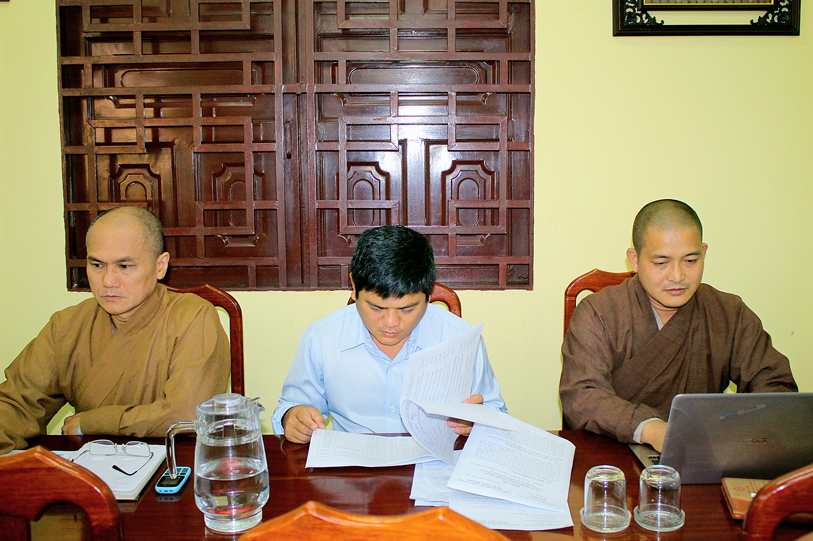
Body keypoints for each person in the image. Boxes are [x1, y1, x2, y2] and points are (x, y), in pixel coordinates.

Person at [559, 199, 796, 452]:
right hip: (613, 456)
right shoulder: (598, 313)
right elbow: (581, 395)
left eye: (690, 260)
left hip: (703, 450)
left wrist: (734, 430)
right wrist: (651, 429)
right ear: (634, 260)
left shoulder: (729, 313)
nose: (677, 276)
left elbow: (776, 388)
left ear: (703, 252)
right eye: (661, 263)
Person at [0, 206, 230, 454]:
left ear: (160, 266)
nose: (108, 281)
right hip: (90, 465)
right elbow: (17, 403)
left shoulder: (192, 316)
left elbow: (186, 415)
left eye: (125, 266)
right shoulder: (67, 325)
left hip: (173, 464)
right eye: (97, 265)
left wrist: (92, 422)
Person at [272, 225, 506, 444]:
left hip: (435, 463)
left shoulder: (461, 339)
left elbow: (495, 413)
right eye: (376, 308)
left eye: (407, 309)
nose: (391, 323)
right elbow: (292, 406)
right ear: (354, 285)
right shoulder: (322, 338)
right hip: (355, 465)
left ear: (428, 292)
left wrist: (479, 421)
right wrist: (292, 417)